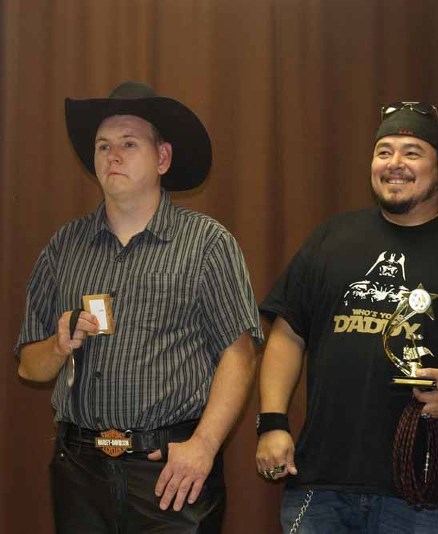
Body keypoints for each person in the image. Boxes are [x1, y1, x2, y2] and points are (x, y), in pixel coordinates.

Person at [256, 102, 438, 533]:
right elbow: (288, 333)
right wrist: (272, 422)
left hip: (422, 492)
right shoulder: (332, 238)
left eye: (411, 152)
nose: (394, 164)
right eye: (384, 151)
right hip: (320, 483)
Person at [15, 81, 264, 532]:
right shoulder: (63, 247)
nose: (113, 156)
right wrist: (58, 344)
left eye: (129, 144)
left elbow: (239, 354)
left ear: (162, 158)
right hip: (80, 469)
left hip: (170, 470)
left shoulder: (207, 243)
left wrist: (204, 446)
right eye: (103, 146)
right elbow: (29, 367)